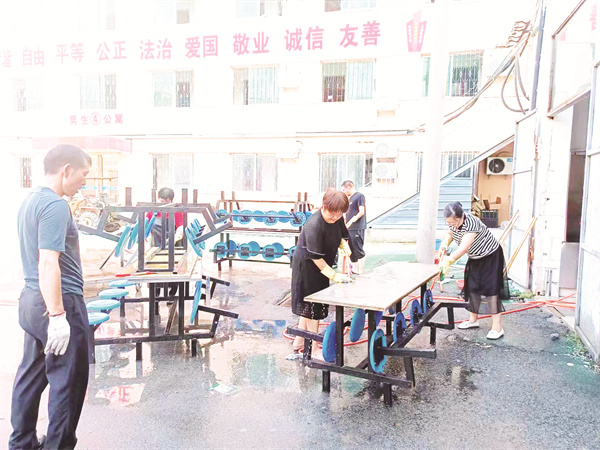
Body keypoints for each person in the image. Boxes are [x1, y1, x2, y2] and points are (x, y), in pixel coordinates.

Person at [10, 145, 92, 449]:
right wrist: (58, 316)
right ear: (66, 170)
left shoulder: (30, 200)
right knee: (68, 381)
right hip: (59, 302)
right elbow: (47, 262)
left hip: (31, 300)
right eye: (83, 174)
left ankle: (21, 443)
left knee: (30, 376)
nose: (84, 182)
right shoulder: (55, 205)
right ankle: (58, 445)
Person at [290, 189, 353, 358]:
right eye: (333, 213)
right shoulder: (314, 225)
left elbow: (342, 233)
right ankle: (314, 348)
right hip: (308, 266)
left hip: (323, 264)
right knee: (313, 306)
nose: (336, 217)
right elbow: (315, 257)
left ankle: (299, 341)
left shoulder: (337, 217)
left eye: (340, 214)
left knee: (309, 305)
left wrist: (343, 243)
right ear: (324, 207)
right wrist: (333, 275)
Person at [439, 201, 510, 340]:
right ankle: (473, 320)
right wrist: (445, 242)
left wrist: (449, 260)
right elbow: (451, 232)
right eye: (449, 223)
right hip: (475, 257)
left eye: (453, 222)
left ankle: (497, 327)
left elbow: (463, 248)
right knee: (472, 287)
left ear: (461, 217)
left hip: (491, 256)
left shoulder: (471, 223)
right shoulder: (454, 223)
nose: (452, 225)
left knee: (491, 291)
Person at [341, 180, 366, 274]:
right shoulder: (349, 198)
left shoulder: (359, 196)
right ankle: (354, 269)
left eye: (344, 190)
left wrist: (352, 220)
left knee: (358, 247)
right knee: (351, 248)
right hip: (349, 227)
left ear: (349, 187)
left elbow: (361, 211)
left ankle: (361, 270)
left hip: (357, 226)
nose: (344, 192)